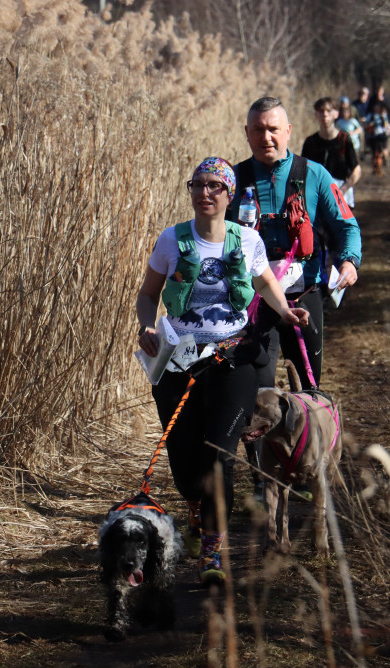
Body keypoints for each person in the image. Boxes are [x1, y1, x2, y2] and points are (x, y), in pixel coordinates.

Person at [136, 156, 309, 585]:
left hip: (232, 360)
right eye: (198, 184)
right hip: (177, 363)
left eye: (216, 186)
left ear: (230, 196)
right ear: (190, 190)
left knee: (219, 455)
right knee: (184, 462)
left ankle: (213, 553)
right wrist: (144, 326)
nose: (206, 193)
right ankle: (195, 508)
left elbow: (267, 282)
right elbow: (147, 295)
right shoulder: (171, 240)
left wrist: (286, 313)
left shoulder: (247, 241)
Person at [228, 96, 362, 500]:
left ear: (288, 131)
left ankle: (308, 468)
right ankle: (263, 481)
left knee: (308, 389)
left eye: (273, 129)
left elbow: (346, 226)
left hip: (305, 298)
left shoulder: (315, 175)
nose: (266, 136)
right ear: (247, 133)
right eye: (258, 129)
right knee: (259, 393)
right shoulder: (234, 181)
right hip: (256, 304)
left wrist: (350, 262)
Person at [301, 96, 361, 209]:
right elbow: (302, 171)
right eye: (320, 111)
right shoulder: (310, 142)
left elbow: (356, 170)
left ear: (336, 114)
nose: (324, 114)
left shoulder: (344, 139)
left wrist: (343, 189)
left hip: (341, 199)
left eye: (328, 111)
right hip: (317, 199)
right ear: (316, 114)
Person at [364, 101, 390, 176]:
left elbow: (389, 126)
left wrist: (387, 128)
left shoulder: (384, 116)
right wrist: (369, 125)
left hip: (382, 136)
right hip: (373, 136)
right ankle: (375, 168)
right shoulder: (371, 116)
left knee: (382, 151)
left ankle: (385, 161)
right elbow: (366, 125)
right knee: (374, 153)